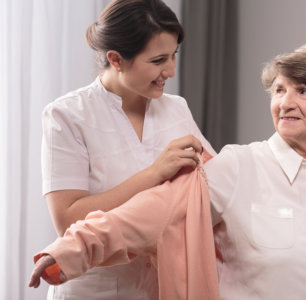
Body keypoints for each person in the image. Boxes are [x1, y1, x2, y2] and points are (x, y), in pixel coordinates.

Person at [30, 40, 306, 299]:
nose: (285, 102)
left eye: (302, 92)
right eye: (279, 90)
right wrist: (71, 250)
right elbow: (154, 211)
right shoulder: (236, 167)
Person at [39, 0, 215, 299]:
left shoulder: (176, 108)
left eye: (174, 56)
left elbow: (212, 182)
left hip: (163, 284)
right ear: (116, 59)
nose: (170, 71)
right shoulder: (68, 115)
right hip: (96, 289)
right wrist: (154, 173)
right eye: (158, 60)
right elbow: (68, 220)